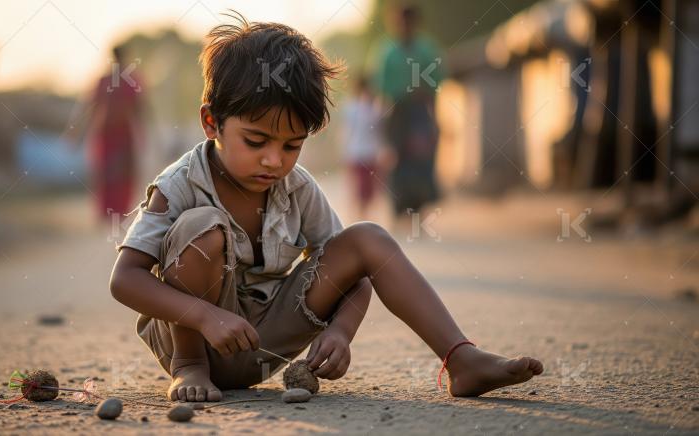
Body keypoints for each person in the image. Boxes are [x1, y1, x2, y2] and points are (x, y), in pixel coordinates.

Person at [109, 12, 543, 403]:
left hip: (263, 342)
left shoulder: (297, 188)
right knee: (199, 226)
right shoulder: (179, 183)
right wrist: (205, 317)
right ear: (211, 123)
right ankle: (190, 368)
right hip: (195, 343)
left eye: (292, 145)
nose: (274, 160)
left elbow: (354, 274)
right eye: (256, 141)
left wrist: (341, 330)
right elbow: (124, 280)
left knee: (368, 238)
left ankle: (461, 359)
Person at [373, 5, 443, 217]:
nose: (404, 27)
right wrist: (382, 122)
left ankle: (419, 207)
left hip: (420, 110)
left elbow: (434, 88)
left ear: (416, 23)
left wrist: (434, 119)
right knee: (397, 158)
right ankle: (398, 207)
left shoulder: (427, 50)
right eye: (400, 23)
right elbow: (381, 90)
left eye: (408, 22)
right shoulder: (386, 51)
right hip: (396, 111)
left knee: (421, 158)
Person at [81, 44, 144, 223]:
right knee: (108, 172)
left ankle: (117, 211)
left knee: (120, 172)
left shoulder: (125, 80)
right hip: (110, 133)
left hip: (119, 133)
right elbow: (92, 106)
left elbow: (139, 108)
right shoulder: (115, 80)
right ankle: (111, 212)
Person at [340, 74, 382, 221]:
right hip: (357, 152)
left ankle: (363, 216)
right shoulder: (353, 108)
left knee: (367, 189)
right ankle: (357, 217)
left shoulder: (374, 108)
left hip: (369, 153)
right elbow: (347, 130)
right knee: (358, 188)